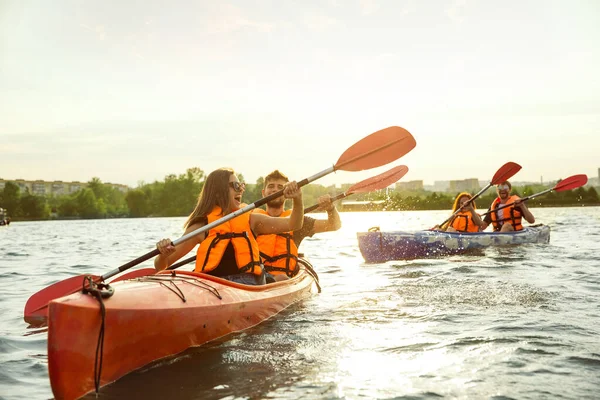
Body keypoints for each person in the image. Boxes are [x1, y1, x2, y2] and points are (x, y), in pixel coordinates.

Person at [154, 167, 304, 285]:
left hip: (249, 286)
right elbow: (162, 265)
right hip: (211, 286)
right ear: (219, 192)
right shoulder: (202, 226)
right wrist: (163, 254)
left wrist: (297, 199)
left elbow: (294, 223)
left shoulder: (251, 220)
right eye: (236, 185)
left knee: (279, 278)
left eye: (242, 185)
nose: (241, 189)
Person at [254, 170, 341, 281]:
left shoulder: (298, 221)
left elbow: (334, 225)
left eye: (280, 187)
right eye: (271, 186)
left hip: (282, 280)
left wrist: (331, 209)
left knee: (281, 277)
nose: (275, 190)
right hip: (254, 279)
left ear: (286, 194)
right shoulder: (252, 220)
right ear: (263, 192)